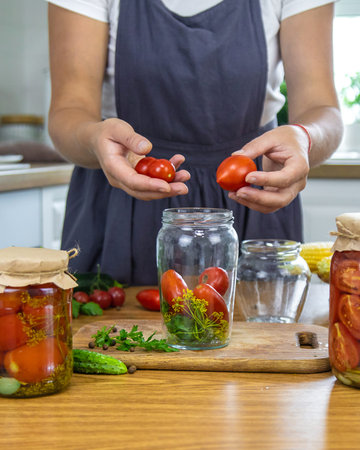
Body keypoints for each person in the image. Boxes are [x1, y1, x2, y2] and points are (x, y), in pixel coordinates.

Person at [47, 0, 343, 285]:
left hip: (252, 195)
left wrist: (304, 138)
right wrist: (94, 140)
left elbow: (322, 109)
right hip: (121, 202)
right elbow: (68, 112)